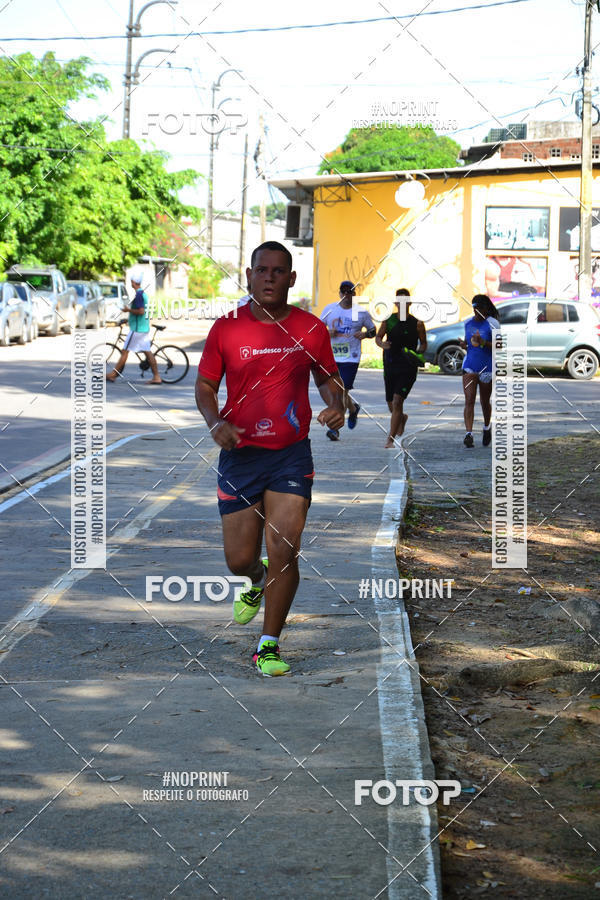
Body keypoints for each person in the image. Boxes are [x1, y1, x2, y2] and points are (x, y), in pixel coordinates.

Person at [195, 241, 344, 677]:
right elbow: (205, 386)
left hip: (290, 454)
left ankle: (268, 644)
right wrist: (213, 420)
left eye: (279, 271)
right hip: (240, 454)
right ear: (248, 275)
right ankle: (256, 581)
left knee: (285, 546)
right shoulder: (226, 329)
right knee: (239, 560)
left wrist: (336, 403)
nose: (270, 278)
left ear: (291, 279)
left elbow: (328, 378)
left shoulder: (311, 328)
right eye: (262, 270)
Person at [320, 280, 375, 440]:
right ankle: (353, 408)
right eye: (343, 291)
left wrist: (365, 335)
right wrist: (326, 333)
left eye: (349, 291)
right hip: (332, 356)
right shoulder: (329, 309)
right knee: (338, 391)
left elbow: (373, 331)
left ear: (354, 294)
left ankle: (335, 429)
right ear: (339, 294)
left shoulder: (361, 313)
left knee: (341, 391)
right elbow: (317, 328)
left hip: (351, 358)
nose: (346, 294)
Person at [375, 288, 427, 448]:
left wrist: (418, 353)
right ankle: (402, 418)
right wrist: (382, 344)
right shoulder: (388, 320)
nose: (403, 304)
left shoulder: (417, 323)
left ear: (410, 303)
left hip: (408, 367)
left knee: (397, 401)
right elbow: (378, 337)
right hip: (390, 365)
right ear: (396, 303)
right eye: (400, 301)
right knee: (391, 403)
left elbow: (424, 344)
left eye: (406, 301)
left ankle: (390, 439)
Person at [106, 272, 161, 384]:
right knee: (147, 352)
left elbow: (141, 311)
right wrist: (128, 318)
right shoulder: (142, 294)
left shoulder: (139, 295)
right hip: (141, 328)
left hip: (137, 329)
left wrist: (128, 311)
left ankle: (113, 374)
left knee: (125, 351)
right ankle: (156, 376)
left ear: (133, 282)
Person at [459, 294, 499, 448]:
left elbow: (499, 345)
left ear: (486, 308)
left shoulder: (493, 323)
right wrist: (464, 344)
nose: (477, 312)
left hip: (487, 367)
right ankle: (468, 434)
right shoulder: (468, 323)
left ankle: (487, 427)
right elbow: (469, 343)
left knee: (484, 401)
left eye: (481, 309)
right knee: (469, 400)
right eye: (475, 309)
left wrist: (483, 342)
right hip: (469, 365)